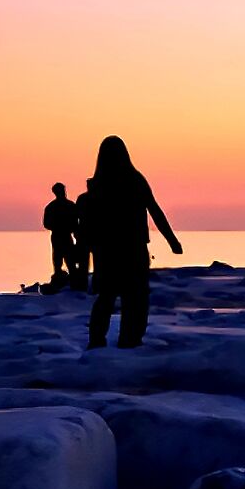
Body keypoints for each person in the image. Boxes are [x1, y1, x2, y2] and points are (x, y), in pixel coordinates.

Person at [83, 135, 182, 348]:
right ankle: (129, 339)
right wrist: (172, 240)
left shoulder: (98, 185)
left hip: (107, 250)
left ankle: (99, 340)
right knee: (133, 297)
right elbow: (154, 209)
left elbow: (89, 224)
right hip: (130, 248)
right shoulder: (133, 179)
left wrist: (90, 249)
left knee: (109, 296)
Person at [42, 182, 81, 289]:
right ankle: (61, 280)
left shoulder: (67, 205)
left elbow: (76, 222)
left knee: (69, 259)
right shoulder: (54, 207)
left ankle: (72, 281)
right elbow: (47, 224)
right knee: (59, 259)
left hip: (64, 235)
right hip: (59, 236)